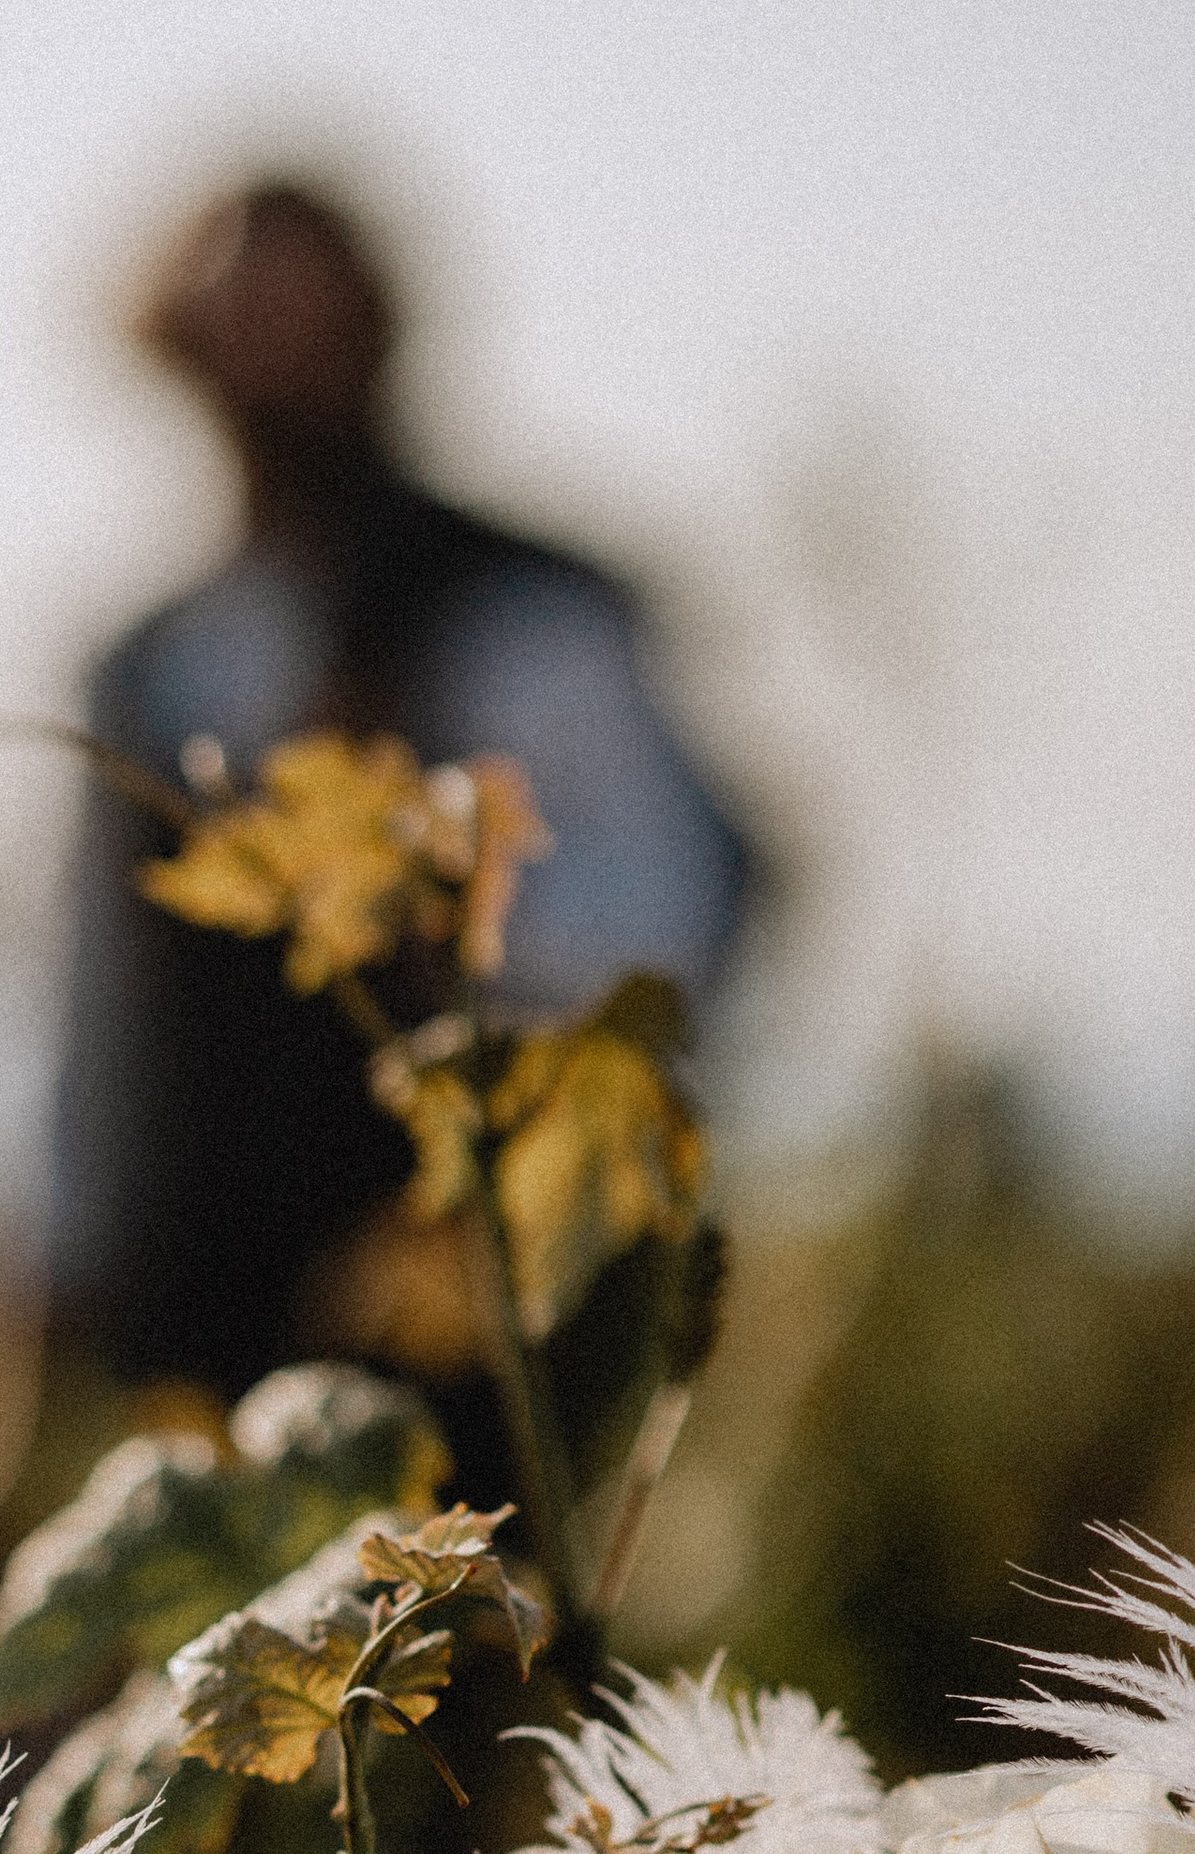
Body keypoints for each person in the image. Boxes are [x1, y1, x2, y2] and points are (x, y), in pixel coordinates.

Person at [44, 178, 754, 1409]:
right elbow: (89, 1007)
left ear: (375, 333)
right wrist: (52, 1249)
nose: (261, 364)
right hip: (200, 1315)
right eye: (231, 327)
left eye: (296, 319)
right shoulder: (144, 664)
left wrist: (458, 933)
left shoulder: (529, 614)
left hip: (479, 1315)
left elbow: (675, 918)